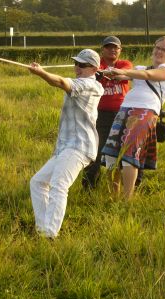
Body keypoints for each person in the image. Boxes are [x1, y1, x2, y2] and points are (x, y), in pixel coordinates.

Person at [29, 49, 104, 238]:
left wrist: (41, 73)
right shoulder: (82, 81)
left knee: (59, 185)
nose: (77, 67)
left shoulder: (90, 85)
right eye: (76, 63)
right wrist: (43, 73)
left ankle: (49, 234)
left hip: (79, 146)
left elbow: (61, 82)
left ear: (94, 68)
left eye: (83, 65)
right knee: (38, 182)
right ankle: (42, 229)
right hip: (65, 146)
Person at [101, 36, 165, 200]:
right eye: (157, 47)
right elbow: (121, 77)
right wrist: (108, 71)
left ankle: (127, 200)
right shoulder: (140, 67)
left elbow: (147, 75)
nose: (159, 51)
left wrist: (124, 71)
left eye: (164, 49)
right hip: (125, 109)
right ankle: (114, 196)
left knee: (130, 154)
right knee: (111, 154)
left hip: (145, 112)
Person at [82, 36, 134, 189]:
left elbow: (126, 73)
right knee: (95, 150)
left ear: (120, 50)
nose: (112, 49)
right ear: (102, 50)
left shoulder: (124, 64)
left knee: (124, 151)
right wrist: (97, 73)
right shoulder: (96, 67)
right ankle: (90, 186)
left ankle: (129, 185)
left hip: (122, 114)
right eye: (108, 47)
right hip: (99, 115)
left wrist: (109, 73)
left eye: (116, 47)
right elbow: (88, 75)